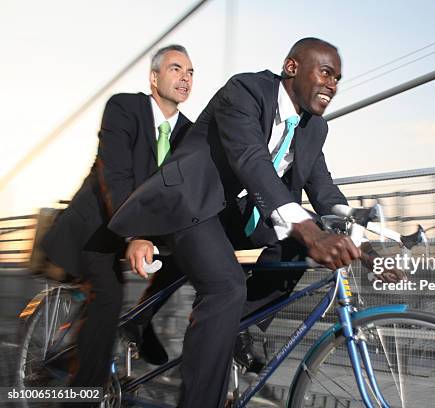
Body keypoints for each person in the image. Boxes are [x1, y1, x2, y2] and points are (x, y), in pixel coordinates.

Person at [109, 37, 361, 408]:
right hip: (188, 202)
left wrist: (363, 240)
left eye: (338, 78)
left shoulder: (314, 128)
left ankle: (244, 328)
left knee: (295, 244)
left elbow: (323, 188)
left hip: (229, 211)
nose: (332, 85)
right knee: (227, 287)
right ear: (292, 68)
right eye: (325, 72)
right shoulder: (244, 90)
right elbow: (251, 161)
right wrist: (309, 230)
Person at [41, 44, 194, 401]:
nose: (185, 77)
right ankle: (86, 394)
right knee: (108, 295)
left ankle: (141, 319)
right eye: (175, 69)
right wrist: (136, 234)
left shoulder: (188, 131)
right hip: (98, 226)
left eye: (190, 72)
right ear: (154, 78)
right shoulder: (124, 107)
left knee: (191, 257)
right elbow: (117, 177)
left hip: (143, 230)